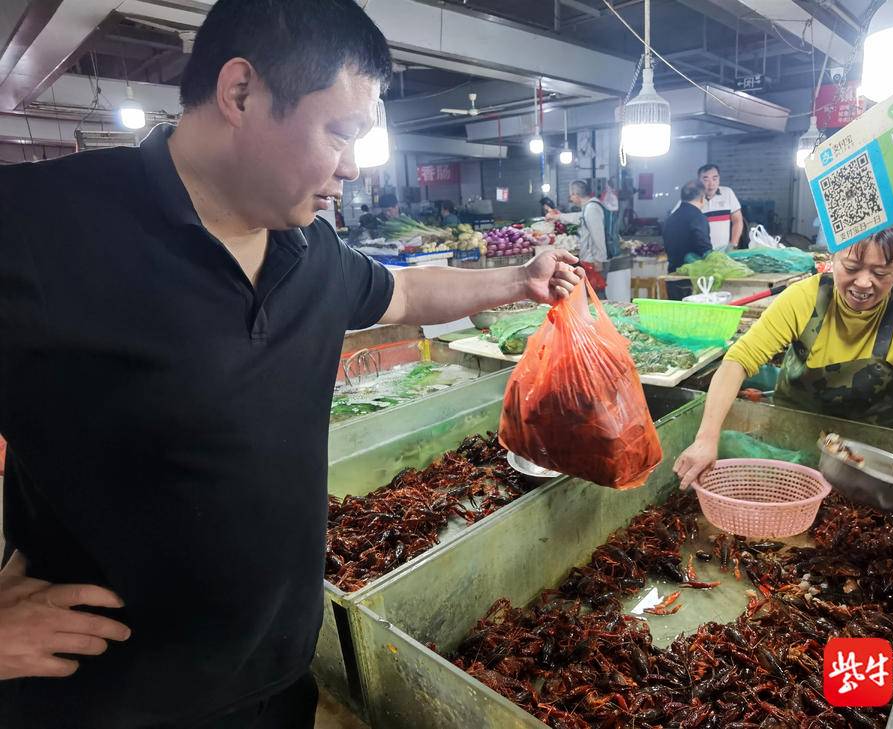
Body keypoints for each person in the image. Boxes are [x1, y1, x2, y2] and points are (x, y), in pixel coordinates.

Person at [0, 2, 581, 727]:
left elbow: (403, 291)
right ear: (241, 93)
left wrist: (518, 278)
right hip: (109, 703)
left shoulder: (311, 251)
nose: (354, 166)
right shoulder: (40, 229)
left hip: (277, 687)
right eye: (340, 131)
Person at [674, 216, 893, 489]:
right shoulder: (804, 298)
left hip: (872, 466)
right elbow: (738, 360)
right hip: (792, 445)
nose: (863, 283)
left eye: (881, 273)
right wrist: (706, 437)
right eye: (851, 267)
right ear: (832, 257)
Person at [546, 180, 607, 270]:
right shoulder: (589, 207)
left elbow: (598, 235)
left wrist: (599, 260)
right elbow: (578, 217)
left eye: (571, 195)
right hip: (589, 259)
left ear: (576, 194)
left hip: (594, 260)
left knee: (595, 284)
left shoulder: (592, 208)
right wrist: (558, 216)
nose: (570, 199)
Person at [662, 180, 713, 274]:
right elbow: (704, 249)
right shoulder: (698, 217)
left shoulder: (670, 218)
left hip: (673, 273)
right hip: (694, 276)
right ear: (702, 198)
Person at [696, 163, 743, 250]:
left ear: (719, 179)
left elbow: (737, 220)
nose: (711, 184)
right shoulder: (692, 197)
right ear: (699, 181)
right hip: (699, 253)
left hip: (723, 252)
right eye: (706, 179)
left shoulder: (727, 193)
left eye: (715, 178)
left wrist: (733, 244)